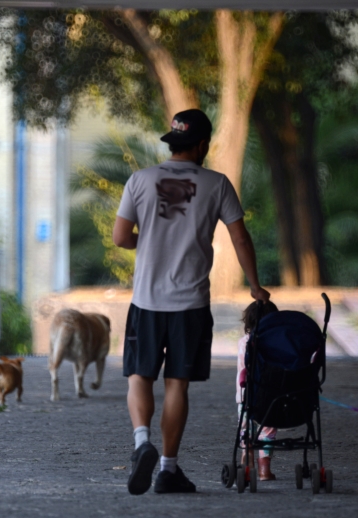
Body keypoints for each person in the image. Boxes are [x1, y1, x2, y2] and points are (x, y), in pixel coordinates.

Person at [112, 109, 271, 495]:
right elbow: (240, 238)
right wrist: (255, 286)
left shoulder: (140, 180)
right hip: (191, 304)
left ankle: (141, 442)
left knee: (139, 376)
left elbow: (120, 237)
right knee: (177, 384)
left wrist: (148, 241)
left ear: (173, 141)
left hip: (147, 301)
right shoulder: (217, 184)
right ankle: (168, 469)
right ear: (202, 145)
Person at [236, 300, 279, 481]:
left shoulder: (244, 342)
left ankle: (247, 454)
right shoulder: (279, 344)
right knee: (267, 432)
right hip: (271, 398)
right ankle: (264, 469)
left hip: (246, 396)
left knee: (246, 429)